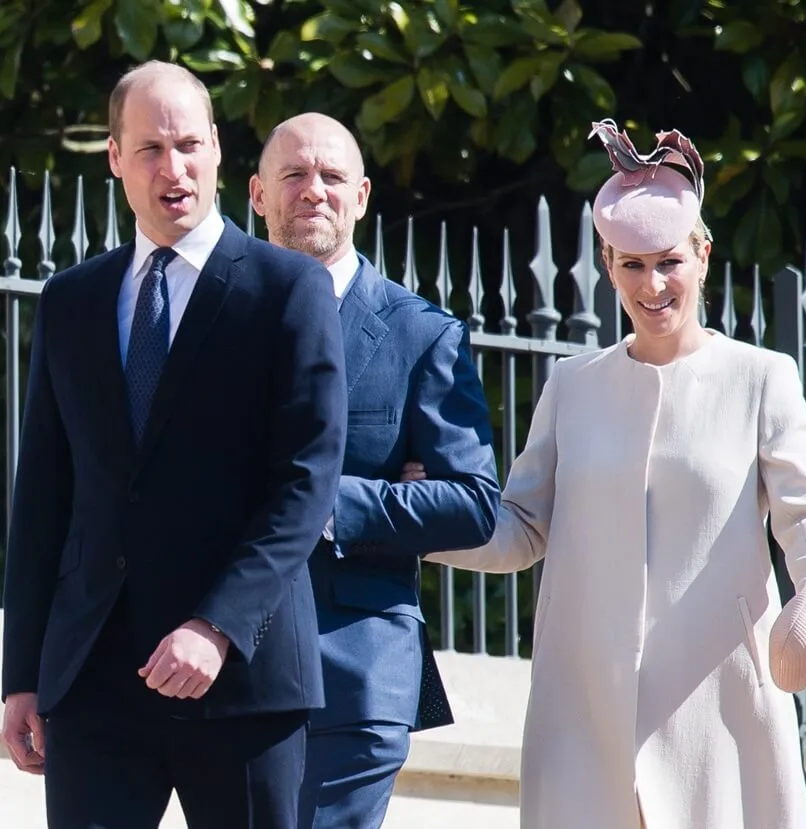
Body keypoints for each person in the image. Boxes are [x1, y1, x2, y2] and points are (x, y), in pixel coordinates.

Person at [407, 119, 806, 829]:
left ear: (704, 254)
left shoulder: (761, 378)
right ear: (607, 265)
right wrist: (416, 515)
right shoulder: (572, 384)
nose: (653, 283)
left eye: (669, 261)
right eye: (631, 264)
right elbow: (521, 528)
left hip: (718, 708)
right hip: (585, 704)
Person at [0, 62, 347, 828]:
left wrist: (216, 625)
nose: (174, 168)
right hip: (94, 681)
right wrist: (19, 675)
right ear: (115, 159)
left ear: (219, 150)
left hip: (242, 682)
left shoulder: (287, 290)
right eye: (151, 148)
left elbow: (305, 482)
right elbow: (45, 498)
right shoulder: (70, 301)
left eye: (189, 144)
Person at [249, 112, 500, 829]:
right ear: (258, 193)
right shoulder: (214, 317)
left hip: (354, 672)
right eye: (294, 174)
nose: (313, 190)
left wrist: (321, 503)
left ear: (361, 196)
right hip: (224, 668)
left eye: (331, 176)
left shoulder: (423, 334)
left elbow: (474, 504)